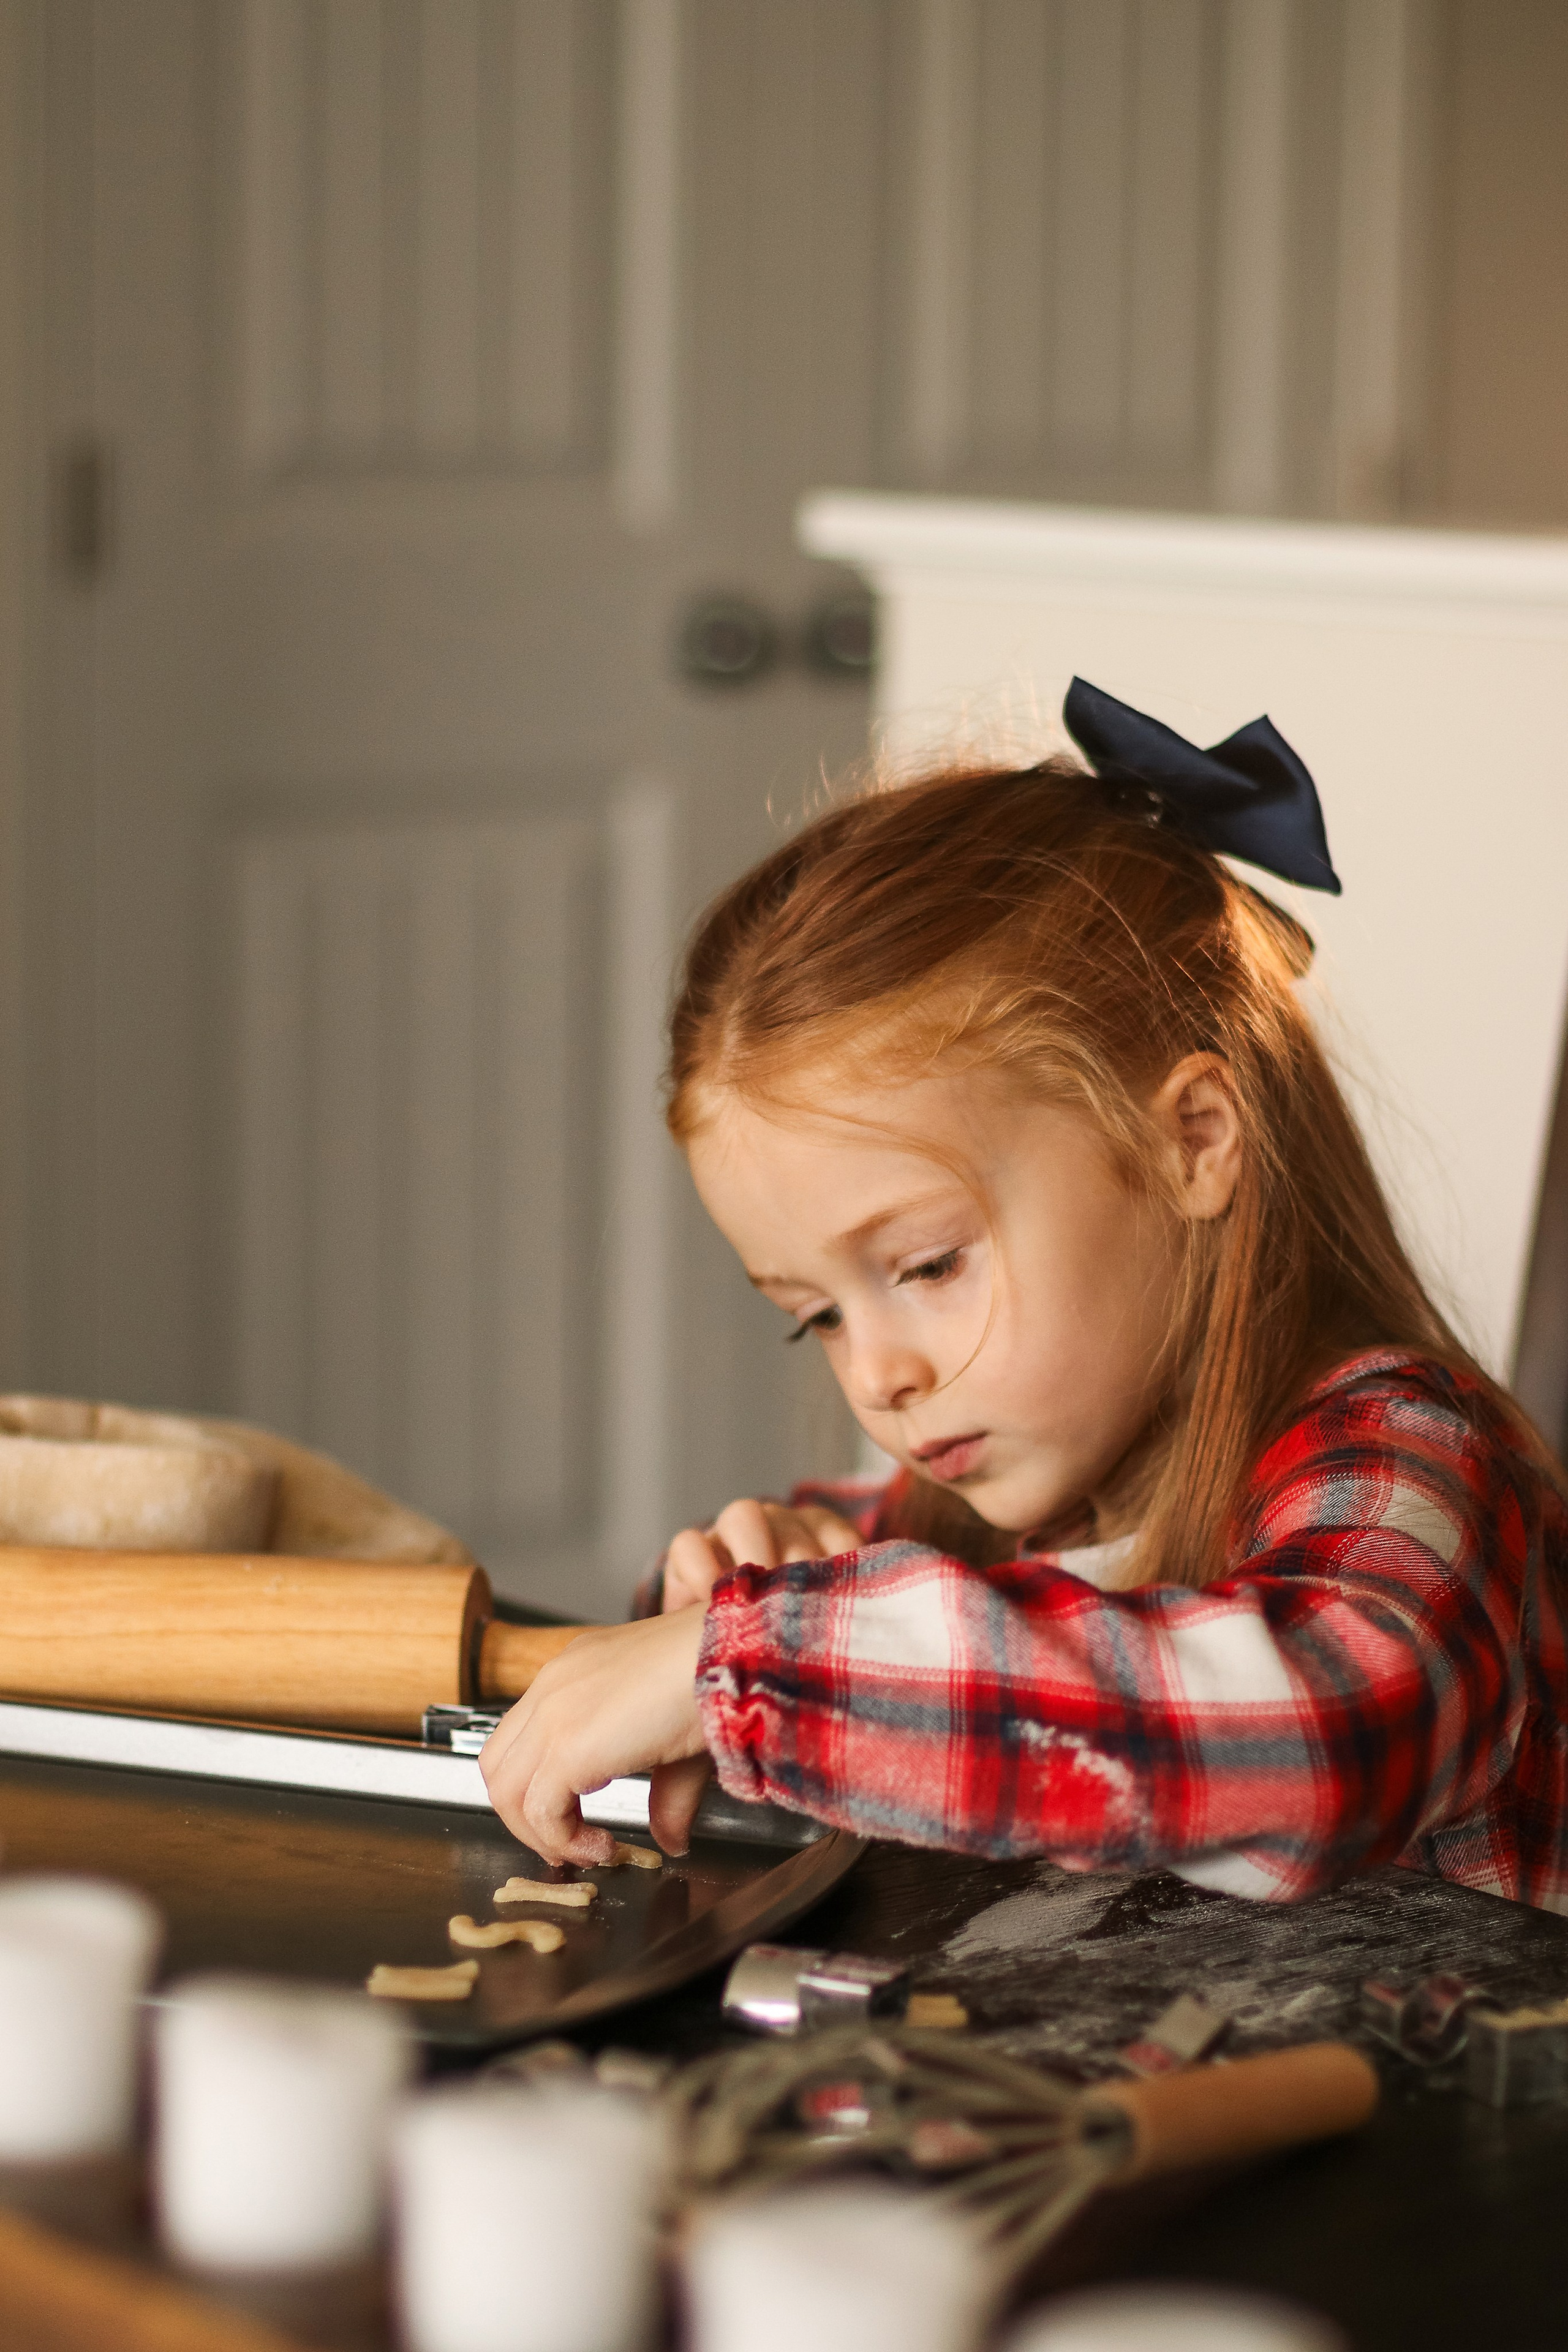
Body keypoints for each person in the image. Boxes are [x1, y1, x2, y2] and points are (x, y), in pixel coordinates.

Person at [481, 680, 1568, 1910]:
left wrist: (746, 1671)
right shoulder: (1013, 1481)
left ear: (1192, 1143)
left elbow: (1319, 1735)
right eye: (816, 1314)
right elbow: (884, 1627)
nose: (875, 1375)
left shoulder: (1416, 1466)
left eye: (930, 1266)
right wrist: (724, 1598)